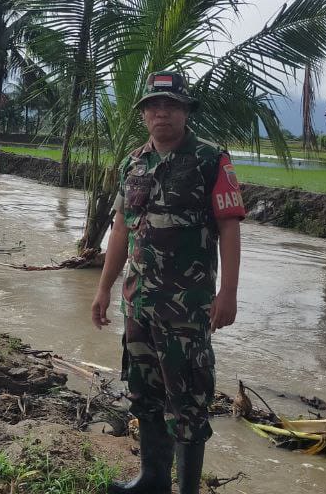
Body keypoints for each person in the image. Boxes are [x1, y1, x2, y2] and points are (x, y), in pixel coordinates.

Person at [91, 71, 244, 494]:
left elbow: (229, 227)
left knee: (189, 403)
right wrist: (104, 288)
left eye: (171, 106)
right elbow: (121, 229)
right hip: (138, 304)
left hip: (187, 311)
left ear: (185, 112)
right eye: (154, 106)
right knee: (145, 394)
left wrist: (228, 292)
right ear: (144, 115)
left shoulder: (213, 159)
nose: (162, 113)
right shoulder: (133, 162)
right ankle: (152, 479)